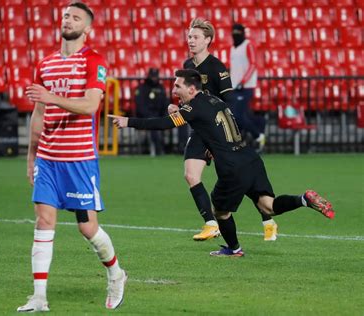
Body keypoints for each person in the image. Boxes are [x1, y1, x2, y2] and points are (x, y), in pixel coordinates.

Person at [110, 69, 335, 256]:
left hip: (231, 166)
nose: (173, 89)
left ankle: (234, 249)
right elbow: (206, 121)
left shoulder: (193, 107)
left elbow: (164, 123)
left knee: (220, 211)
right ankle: (303, 199)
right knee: (269, 205)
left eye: (177, 86)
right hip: (250, 158)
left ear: (191, 88)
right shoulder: (213, 100)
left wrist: (128, 121)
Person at [17, 2, 127, 312]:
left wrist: (51, 97)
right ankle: (39, 296)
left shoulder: (94, 61)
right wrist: (31, 157)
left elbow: (92, 105)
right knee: (43, 219)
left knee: (87, 228)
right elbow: (38, 113)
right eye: (66, 15)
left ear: (87, 28)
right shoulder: (46, 64)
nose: (68, 20)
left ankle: (116, 274)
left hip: (79, 158)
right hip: (48, 159)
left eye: (76, 17)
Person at [175, 18, 278, 242]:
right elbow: (189, 100)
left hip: (218, 132)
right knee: (190, 175)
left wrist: (225, 134)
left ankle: (268, 219)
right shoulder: (187, 66)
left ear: (208, 40)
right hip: (200, 131)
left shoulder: (216, 67)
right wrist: (178, 107)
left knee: (237, 178)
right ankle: (211, 224)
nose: (190, 41)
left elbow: (229, 102)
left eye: (195, 37)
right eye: (189, 36)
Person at [230, 23, 266, 152]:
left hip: (246, 87)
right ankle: (261, 123)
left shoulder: (248, 45)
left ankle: (258, 136)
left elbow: (253, 64)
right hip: (235, 87)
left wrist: (243, 81)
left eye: (238, 32)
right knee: (239, 116)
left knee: (238, 116)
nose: (235, 35)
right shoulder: (232, 48)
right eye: (233, 32)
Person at [134, 68, 168, 156]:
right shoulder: (142, 88)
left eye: (155, 76)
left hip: (159, 115)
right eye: (152, 77)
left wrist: (165, 115)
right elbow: (140, 105)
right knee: (153, 124)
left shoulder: (161, 87)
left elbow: (165, 103)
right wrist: (148, 115)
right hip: (146, 116)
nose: (154, 79)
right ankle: (158, 149)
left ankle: (178, 147)